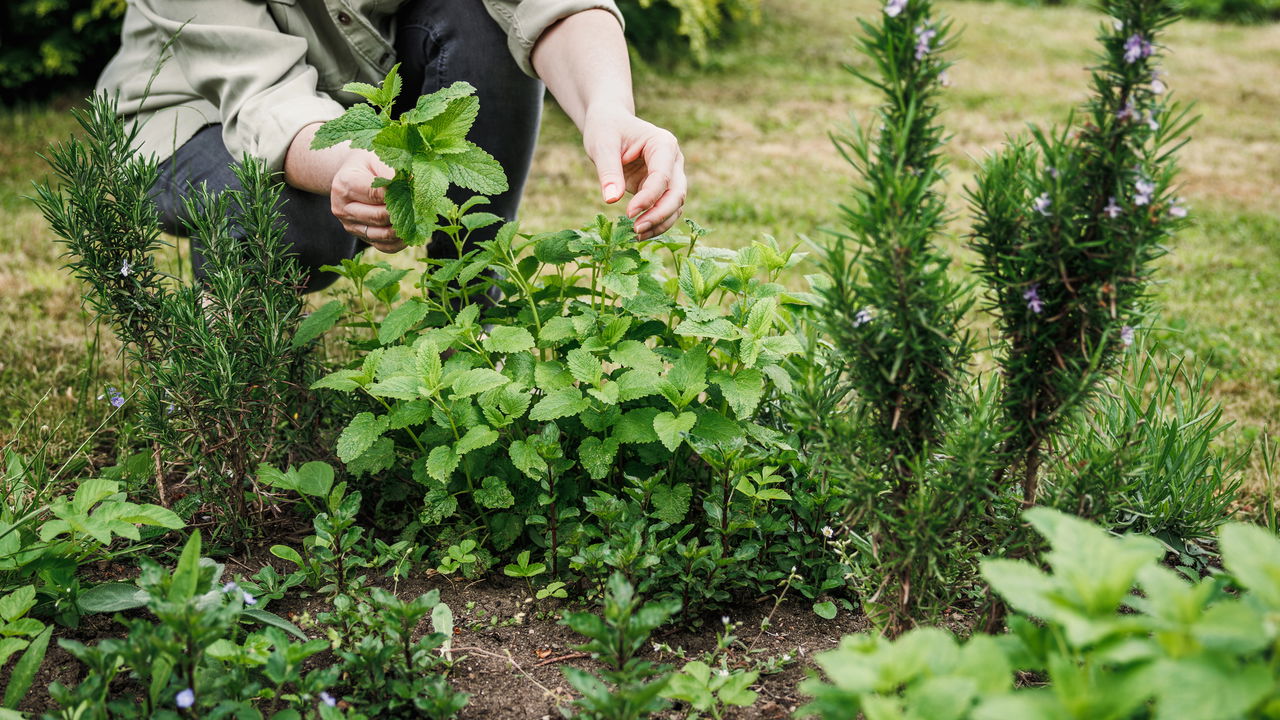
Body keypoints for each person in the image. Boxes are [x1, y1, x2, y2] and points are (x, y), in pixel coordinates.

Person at [98, 0, 687, 291]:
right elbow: (263, 100)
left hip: (362, 84)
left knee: (483, 19)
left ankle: (469, 318)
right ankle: (234, 381)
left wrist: (607, 105)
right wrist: (350, 164)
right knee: (293, 217)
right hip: (193, 112)